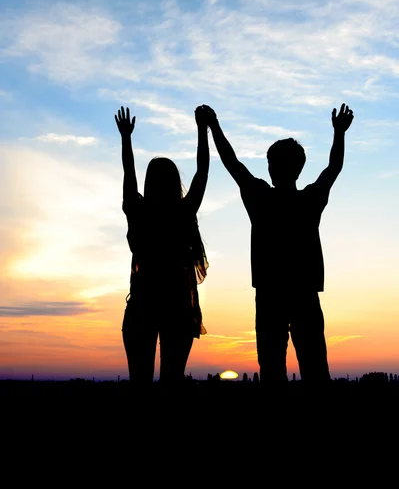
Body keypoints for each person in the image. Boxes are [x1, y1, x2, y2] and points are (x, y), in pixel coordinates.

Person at [202, 103, 354, 388]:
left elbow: (232, 163)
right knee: (312, 369)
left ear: (281, 167)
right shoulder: (308, 199)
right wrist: (339, 133)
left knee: (278, 370)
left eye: (274, 162)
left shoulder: (261, 197)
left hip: (275, 295)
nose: (271, 167)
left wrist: (214, 126)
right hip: (300, 294)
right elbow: (333, 168)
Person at [115, 105, 210, 391]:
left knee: (140, 383)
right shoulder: (183, 212)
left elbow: (128, 174)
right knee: (172, 382)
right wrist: (201, 130)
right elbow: (202, 172)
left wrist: (126, 138)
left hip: (144, 304)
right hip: (177, 305)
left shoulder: (139, 211)